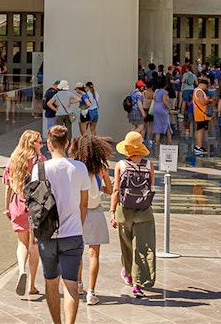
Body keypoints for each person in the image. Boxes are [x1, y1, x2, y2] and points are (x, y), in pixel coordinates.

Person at [30, 124, 88, 324]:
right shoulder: (80, 167)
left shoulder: (40, 169)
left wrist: (34, 233)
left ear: (48, 144)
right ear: (68, 143)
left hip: (48, 235)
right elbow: (84, 204)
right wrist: (78, 226)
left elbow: (34, 205)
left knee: (51, 283)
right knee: (71, 284)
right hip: (72, 234)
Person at [109, 131, 156, 296]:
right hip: (144, 211)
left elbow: (115, 190)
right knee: (142, 247)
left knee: (126, 246)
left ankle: (128, 274)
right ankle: (138, 283)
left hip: (124, 211)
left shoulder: (121, 165)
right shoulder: (149, 164)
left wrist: (112, 211)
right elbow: (150, 186)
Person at [68, 134, 113, 305]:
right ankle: (92, 293)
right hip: (96, 212)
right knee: (94, 255)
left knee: (77, 251)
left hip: (78, 213)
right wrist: (99, 186)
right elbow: (109, 189)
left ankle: (79, 284)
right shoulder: (101, 168)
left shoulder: (76, 168)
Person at [2, 130, 44, 299]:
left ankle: (21, 271)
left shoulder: (14, 160)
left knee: (22, 243)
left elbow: (8, 187)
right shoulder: (40, 161)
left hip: (18, 205)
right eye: (39, 142)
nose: (41, 143)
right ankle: (32, 285)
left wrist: (7, 208)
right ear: (32, 144)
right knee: (34, 245)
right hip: (36, 207)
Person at [150, 77, 172, 146]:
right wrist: (169, 109)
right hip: (162, 108)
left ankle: (157, 141)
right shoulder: (165, 92)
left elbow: (154, 99)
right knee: (167, 124)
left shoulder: (157, 91)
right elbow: (164, 102)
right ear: (165, 86)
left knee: (157, 124)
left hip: (156, 107)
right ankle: (169, 141)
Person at [191, 77, 211, 154]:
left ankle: (198, 145)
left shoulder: (195, 90)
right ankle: (198, 147)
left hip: (199, 113)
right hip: (201, 114)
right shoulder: (199, 91)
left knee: (200, 130)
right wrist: (208, 101)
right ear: (203, 85)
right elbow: (202, 103)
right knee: (200, 130)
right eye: (206, 86)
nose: (206, 88)